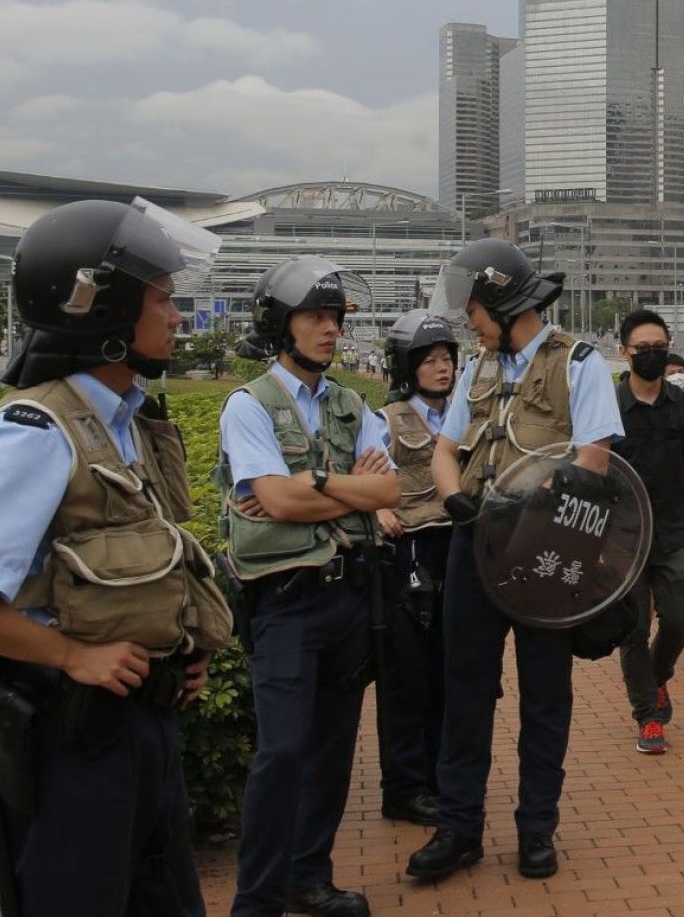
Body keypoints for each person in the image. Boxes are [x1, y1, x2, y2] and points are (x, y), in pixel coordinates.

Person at [0, 198, 233, 914]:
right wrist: (73, 657)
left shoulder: (124, 422)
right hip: (76, 741)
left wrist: (177, 653)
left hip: (140, 727)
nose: (177, 317)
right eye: (163, 299)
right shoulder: (36, 429)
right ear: (104, 309)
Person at [406, 239, 621, 885]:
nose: (468, 322)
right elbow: (445, 451)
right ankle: (458, 828)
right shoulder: (478, 367)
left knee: (544, 692)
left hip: (545, 550)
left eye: (474, 309)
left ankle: (536, 829)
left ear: (502, 304)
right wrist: (455, 500)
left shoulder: (579, 363)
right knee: (464, 688)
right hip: (474, 547)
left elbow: (593, 460)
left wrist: (522, 510)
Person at [220, 256, 399, 917]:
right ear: (279, 323)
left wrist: (314, 484)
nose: (330, 329)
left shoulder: (353, 404)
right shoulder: (249, 406)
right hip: (286, 603)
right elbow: (273, 499)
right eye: (315, 317)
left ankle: (308, 876)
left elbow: (389, 491)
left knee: (331, 750)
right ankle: (256, 899)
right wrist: (346, 490)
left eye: (335, 318)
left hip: (350, 597)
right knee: (283, 750)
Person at [614, 310, 684, 754]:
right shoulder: (606, 407)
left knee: (680, 618)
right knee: (633, 629)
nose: (652, 355)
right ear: (624, 352)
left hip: (675, 531)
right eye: (643, 349)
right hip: (622, 538)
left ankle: (657, 677)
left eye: (659, 347)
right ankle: (648, 716)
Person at [372, 310, 460, 826]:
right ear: (407, 367)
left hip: (458, 548)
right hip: (409, 556)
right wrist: (377, 511)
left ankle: (441, 777)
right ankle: (404, 788)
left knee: (450, 670)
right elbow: (359, 474)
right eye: (429, 360)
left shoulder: (466, 415)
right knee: (408, 675)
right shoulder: (385, 419)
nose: (442, 368)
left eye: (447, 358)